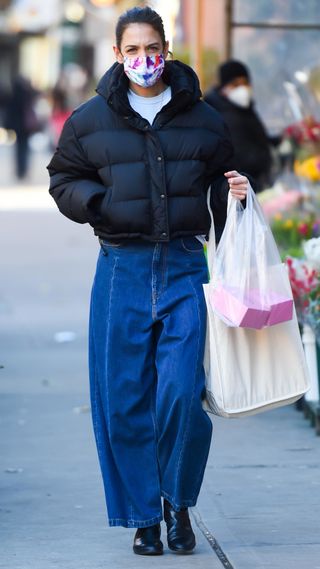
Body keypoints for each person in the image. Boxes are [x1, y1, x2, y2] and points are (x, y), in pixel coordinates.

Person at [47, 6, 249, 557]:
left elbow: (217, 187)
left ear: (168, 47)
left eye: (151, 47)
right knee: (125, 399)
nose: (143, 59)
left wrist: (231, 196)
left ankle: (177, 501)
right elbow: (62, 177)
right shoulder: (91, 120)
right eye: (131, 50)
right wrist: (99, 204)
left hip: (185, 265)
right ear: (117, 54)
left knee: (182, 393)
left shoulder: (204, 119)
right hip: (121, 270)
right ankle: (144, 517)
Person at [204, 59, 272, 192]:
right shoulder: (220, 115)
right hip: (243, 186)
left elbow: (255, 137)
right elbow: (241, 154)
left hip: (254, 183)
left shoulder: (244, 109)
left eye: (245, 83)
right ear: (223, 87)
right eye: (235, 84)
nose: (242, 88)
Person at [4, 75, 41, 179]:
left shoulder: (13, 94)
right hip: (26, 125)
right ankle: (23, 169)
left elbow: (9, 111)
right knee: (25, 148)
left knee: (19, 148)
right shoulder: (27, 94)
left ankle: (20, 170)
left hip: (17, 126)